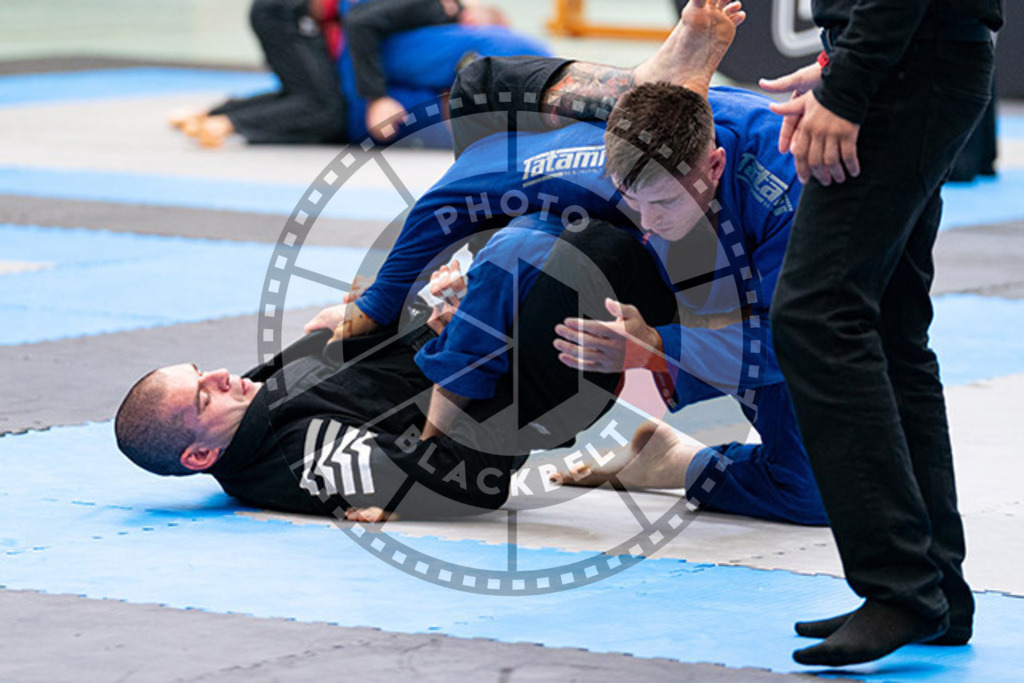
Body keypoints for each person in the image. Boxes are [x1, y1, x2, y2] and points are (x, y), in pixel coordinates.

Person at [309, 0, 829, 525]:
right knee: (480, 91)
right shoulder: (599, 165)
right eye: (634, 198)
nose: (647, 218)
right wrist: (380, 303)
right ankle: (642, 82)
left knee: (810, 492)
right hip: (638, 240)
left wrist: (656, 348)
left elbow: (790, 345)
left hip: (753, 298)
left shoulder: (791, 193)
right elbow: (453, 196)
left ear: (714, 167)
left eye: (663, 203)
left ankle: (673, 460)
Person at [115, 218, 685, 522]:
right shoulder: (303, 461)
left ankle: (665, 452)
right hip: (533, 388)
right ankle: (697, 325)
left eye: (200, 371)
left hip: (483, 340)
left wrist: (425, 302)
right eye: (201, 398)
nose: (218, 375)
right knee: (582, 245)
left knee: (494, 176)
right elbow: (470, 478)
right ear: (198, 457)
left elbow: (371, 348)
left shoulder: (251, 398)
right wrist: (467, 339)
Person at [756, 0, 1003, 668]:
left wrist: (851, 81)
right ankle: (936, 590)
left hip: (905, 72)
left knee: (817, 313)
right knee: (890, 328)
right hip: (917, 62)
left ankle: (900, 584)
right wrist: (845, 61)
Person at [169, 0, 550, 148]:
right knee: (324, 108)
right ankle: (229, 122)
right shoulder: (437, 8)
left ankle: (217, 114)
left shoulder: (431, 24)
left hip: (297, 21)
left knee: (312, 95)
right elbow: (361, 24)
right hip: (287, 14)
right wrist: (376, 97)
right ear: (472, 19)